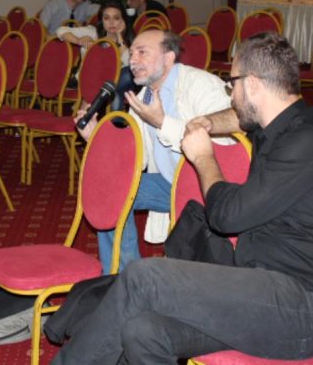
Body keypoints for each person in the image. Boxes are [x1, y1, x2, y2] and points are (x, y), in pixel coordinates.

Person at [53, 33, 313, 364]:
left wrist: (203, 157)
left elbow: (226, 217)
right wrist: (206, 122)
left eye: (233, 84)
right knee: (144, 331)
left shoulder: (308, 140)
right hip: (263, 287)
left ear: (253, 85)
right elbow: (238, 118)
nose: (231, 93)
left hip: (305, 307)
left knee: (145, 277)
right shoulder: (279, 122)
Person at [77, 29, 231, 273]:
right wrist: (95, 137)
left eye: (142, 52)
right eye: (132, 53)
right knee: (111, 188)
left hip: (210, 185)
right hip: (170, 182)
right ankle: (123, 276)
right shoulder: (144, 97)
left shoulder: (203, 86)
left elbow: (227, 147)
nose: (133, 60)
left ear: (168, 58)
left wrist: (161, 122)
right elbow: (134, 160)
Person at [56, 0, 135, 110]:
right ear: (101, 21)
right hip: (93, 83)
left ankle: (91, 108)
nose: (111, 22)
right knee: (116, 92)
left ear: (123, 20)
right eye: (106, 18)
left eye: (116, 18)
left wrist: (120, 37)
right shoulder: (94, 33)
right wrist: (79, 41)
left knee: (125, 74)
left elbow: (130, 65)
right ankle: (111, 116)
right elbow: (61, 30)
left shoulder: (130, 41)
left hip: (115, 84)